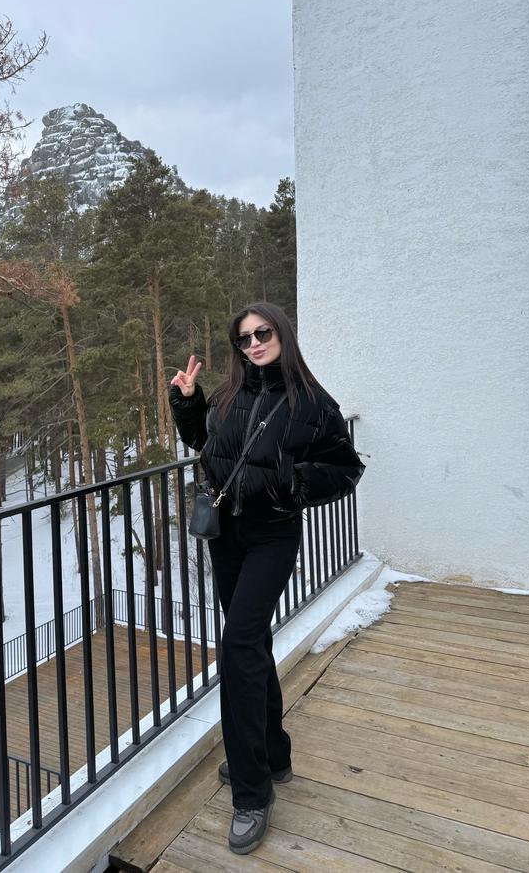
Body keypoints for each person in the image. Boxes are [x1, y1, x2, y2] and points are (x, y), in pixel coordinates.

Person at [168, 302, 365, 855]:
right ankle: (274, 754)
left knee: (236, 647)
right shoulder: (228, 396)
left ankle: (252, 793)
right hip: (226, 536)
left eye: (263, 333)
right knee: (250, 643)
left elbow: (346, 470)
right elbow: (208, 448)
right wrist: (188, 405)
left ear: (282, 334)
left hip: (273, 537)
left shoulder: (313, 404)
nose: (253, 344)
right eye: (244, 338)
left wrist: (289, 481)